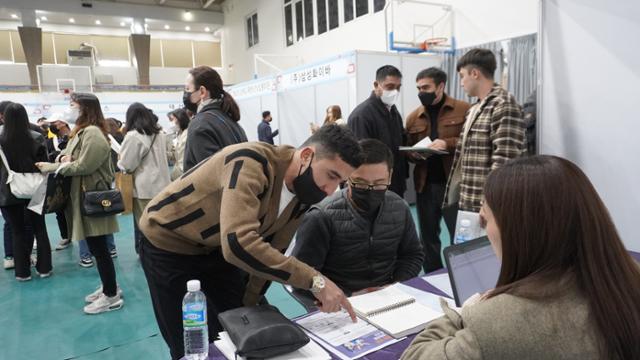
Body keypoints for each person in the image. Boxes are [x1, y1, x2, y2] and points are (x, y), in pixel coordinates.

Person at [139, 125, 362, 359]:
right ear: (306, 156)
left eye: (340, 183)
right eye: (331, 176)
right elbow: (239, 243)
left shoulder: (303, 194)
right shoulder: (251, 162)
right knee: (190, 343)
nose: (330, 191)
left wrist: (249, 308)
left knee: (240, 328)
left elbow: (272, 251)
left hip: (216, 247)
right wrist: (316, 281)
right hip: (168, 245)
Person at [401, 155, 640, 360]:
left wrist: (465, 312)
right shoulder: (627, 279)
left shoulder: (497, 322)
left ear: (518, 230)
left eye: (486, 219)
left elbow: (414, 355)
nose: (485, 231)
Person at [292, 139, 423, 296]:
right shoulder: (320, 217)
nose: (370, 190)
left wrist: (395, 286)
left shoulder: (399, 208)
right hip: (338, 305)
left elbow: (412, 255)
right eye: (360, 183)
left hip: (390, 296)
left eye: (379, 183)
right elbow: (301, 277)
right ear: (347, 176)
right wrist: (344, 296)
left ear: (390, 176)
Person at [36, 92, 123, 315]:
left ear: (85, 108)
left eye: (73, 105)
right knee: (97, 248)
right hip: (83, 196)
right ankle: (108, 287)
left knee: (100, 249)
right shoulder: (81, 132)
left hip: (92, 197)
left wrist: (54, 167)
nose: (69, 109)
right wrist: (62, 159)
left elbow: (84, 165)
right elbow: (67, 154)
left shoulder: (93, 133)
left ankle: (111, 295)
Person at [442, 49, 525, 236]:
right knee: (467, 261)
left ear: (475, 73)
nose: (461, 82)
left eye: (462, 76)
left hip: (487, 208)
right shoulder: (475, 108)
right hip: (468, 203)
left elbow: (505, 163)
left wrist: (489, 204)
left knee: (490, 262)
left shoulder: (503, 104)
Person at [405, 68, 471, 272]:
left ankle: (462, 275)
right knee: (428, 239)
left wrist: (447, 144)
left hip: (455, 186)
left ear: (440, 86)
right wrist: (413, 154)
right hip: (426, 187)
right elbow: (408, 147)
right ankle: (434, 275)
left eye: (426, 87)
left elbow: (473, 141)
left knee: (459, 237)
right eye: (418, 88)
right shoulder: (414, 117)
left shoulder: (465, 109)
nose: (421, 92)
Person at [0, 103, 52, 281]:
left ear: (4, 117)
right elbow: (44, 165)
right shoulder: (37, 137)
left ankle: (22, 272)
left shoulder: (1, 139)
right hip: (35, 188)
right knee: (40, 228)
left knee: (17, 231)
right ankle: (44, 268)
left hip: (8, 190)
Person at [118, 102, 171, 254]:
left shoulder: (134, 136)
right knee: (160, 223)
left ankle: (149, 254)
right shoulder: (159, 134)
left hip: (144, 189)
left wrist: (120, 160)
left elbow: (127, 165)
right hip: (163, 184)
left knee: (144, 224)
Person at [348, 65, 408, 198]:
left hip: (396, 182)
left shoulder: (393, 111)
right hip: (375, 188)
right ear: (376, 85)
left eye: (398, 87)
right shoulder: (361, 115)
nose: (395, 91)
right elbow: (362, 157)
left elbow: (399, 142)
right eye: (390, 87)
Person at [182, 66, 248, 171]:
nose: (185, 93)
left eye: (187, 89)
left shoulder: (199, 124)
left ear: (202, 92)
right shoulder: (230, 120)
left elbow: (209, 178)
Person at [167, 108, 190, 180]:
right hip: (179, 172)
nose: (171, 123)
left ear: (180, 119)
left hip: (183, 173)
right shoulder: (179, 134)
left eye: (172, 119)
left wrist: (172, 176)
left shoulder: (187, 135)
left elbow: (182, 161)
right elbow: (176, 154)